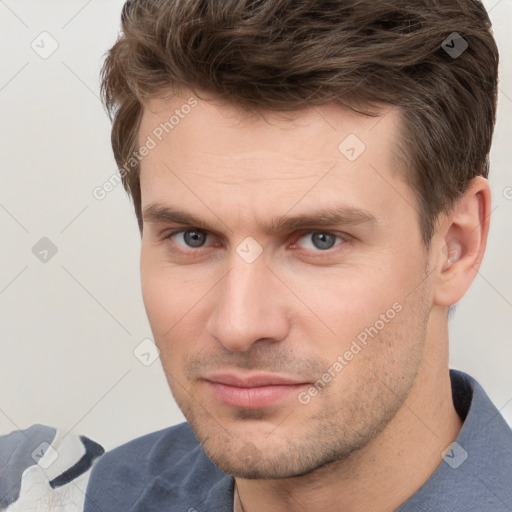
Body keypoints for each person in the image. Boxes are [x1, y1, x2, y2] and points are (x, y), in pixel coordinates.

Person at [81, 0, 511, 511]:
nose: (239, 325)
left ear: (455, 247)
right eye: (192, 237)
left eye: (319, 240)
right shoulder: (94, 494)